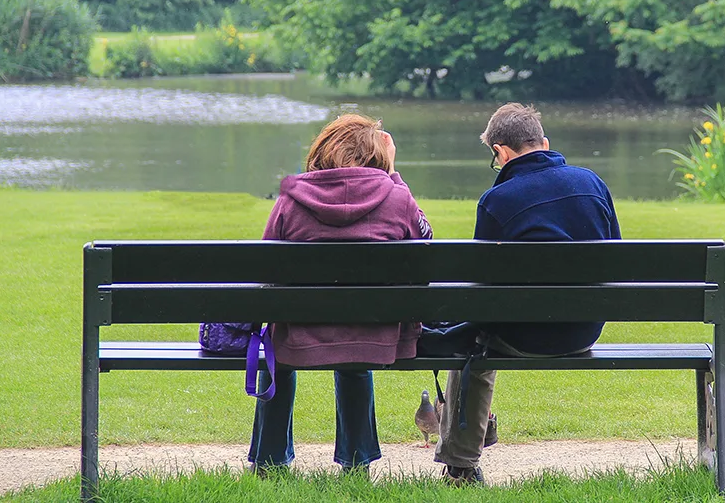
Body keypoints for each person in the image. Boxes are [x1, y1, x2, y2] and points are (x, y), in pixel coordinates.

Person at [433, 102, 620, 484]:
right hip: (583, 331)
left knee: (475, 344)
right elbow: (616, 260)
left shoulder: (497, 201)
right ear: (544, 143)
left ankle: (461, 465)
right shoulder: (592, 185)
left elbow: (481, 290)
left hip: (522, 337)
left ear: (500, 152)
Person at [248, 114, 433, 476]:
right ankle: (356, 461)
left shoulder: (291, 197)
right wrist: (393, 173)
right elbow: (426, 245)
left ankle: (269, 462)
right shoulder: (397, 196)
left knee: (278, 354)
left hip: (299, 331)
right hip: (374, 332)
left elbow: (266, 267)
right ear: (376, 154)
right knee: (354, 350)